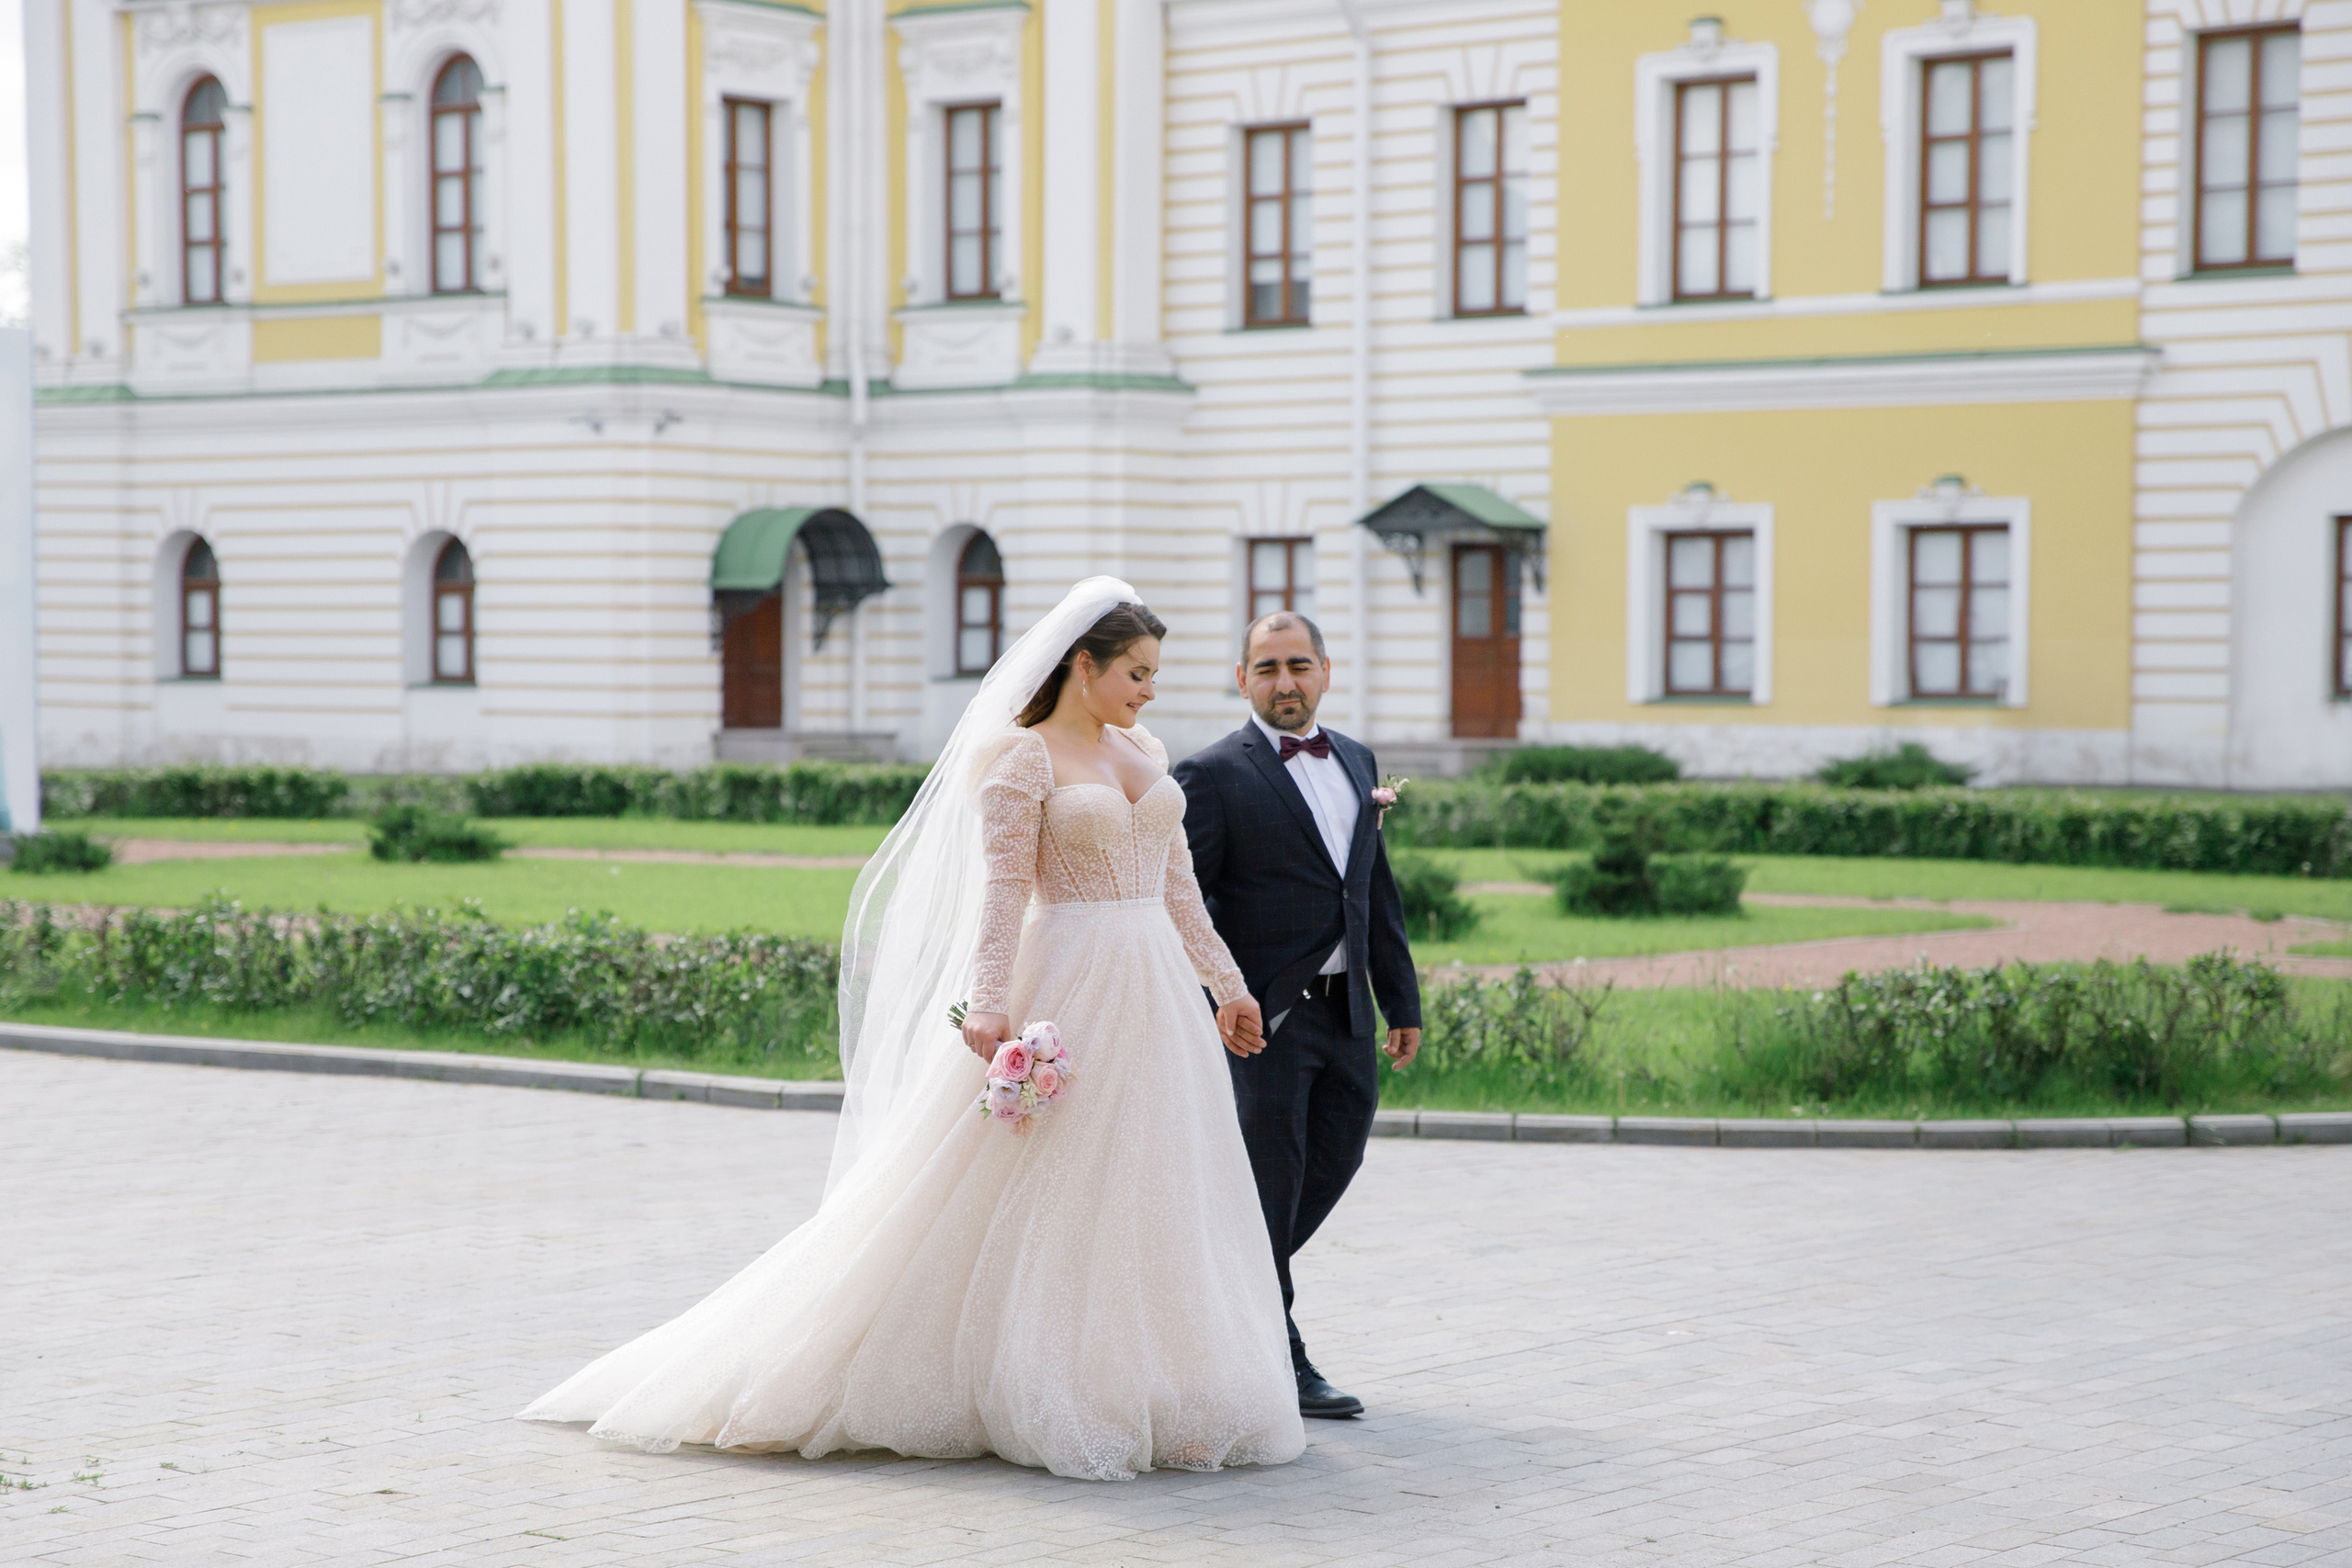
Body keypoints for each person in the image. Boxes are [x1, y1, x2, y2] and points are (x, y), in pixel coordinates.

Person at [519, 579, 1306, 1482]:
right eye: (1135, 672)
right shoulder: (1021, 761)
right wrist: (989, 1003)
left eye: (1155, 674)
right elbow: (1005, 890)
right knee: (1053, 1188)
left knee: (1157, 1185)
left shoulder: (1145, 748)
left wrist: (1227, 986)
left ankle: (1169, 1389)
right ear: (1082, 667)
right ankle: (1045, 1381)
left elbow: (1177, 888)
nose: (1149, 690)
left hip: (1157, 993)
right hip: (1071, 982)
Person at [1172, 612, 1422, 1420]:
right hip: (1263, 1021)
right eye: (1269, 667)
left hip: (1348, 1012)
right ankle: (1280, 1355)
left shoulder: (1356, 758)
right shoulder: (1209, 774)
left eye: (1300, 665)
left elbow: (1371, 888)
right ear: (1242, 677)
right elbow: (1188, 903)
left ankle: (1221, 1297)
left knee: (1336, 1161)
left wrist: (1400, 995)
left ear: (1325, 669)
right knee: (1270, 1183)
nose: (1287, 682)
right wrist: (1221, 997)